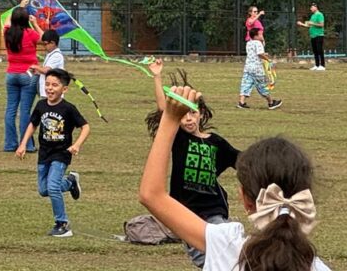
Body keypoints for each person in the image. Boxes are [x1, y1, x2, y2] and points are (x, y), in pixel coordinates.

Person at [140, 84, 331, 271]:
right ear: (307, 197)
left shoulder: (223, 245)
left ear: (245, 198)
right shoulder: (317, 267)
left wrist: (170, 118)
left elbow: (151, 194)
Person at [148, 59, 239, 268]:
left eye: (193, 113)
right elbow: (164, 110)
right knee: (202, 258)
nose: (188, 119)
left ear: (201, 113)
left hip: (214, 209)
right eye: (184, 114)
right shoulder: (179, 138)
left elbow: (241, 160)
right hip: (185, 211)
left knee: (224, 252)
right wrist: (157, 76)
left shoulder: (215, 142)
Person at [15, 68, 89, 238]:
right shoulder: (40, 105)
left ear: (64, 89)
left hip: (61, 153)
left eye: (54, 85)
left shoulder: (69, 108)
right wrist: (23, 144)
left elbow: (86, 127)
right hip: (44, 153)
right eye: (47, 84)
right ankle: (70, 182)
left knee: (53, 187)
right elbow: (33, 124)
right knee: (43, 189)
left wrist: (76, 145)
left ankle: (62, 224)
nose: (49, 88)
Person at [3, 3, 44, 153]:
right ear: (26, 19)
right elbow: (44, 38)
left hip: (11, 74)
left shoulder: (7, 33)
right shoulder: (30, 33)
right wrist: (35, 23)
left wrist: (18, 6)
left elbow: (7, 22)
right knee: (25, 111)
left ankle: (9, 144)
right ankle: (27, 144)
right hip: (29, 74)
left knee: (10, 110)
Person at [238, 28, 283, 110]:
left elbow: (254, 53)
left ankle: (241, 102)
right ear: (256, 36)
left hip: (248, 68)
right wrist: (268, 59)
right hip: (257, 69)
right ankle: (271, 103)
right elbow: (259, 54)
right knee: (262, 86)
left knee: (246, 84)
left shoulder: (249, 43)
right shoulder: (258, 43)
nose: (262, 35)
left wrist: (263, 54)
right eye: (260, 34)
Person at [30, 30, 64, 99]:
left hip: (53, 93)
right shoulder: (50, 54)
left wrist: (35, 66)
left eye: (45, 44)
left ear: (52, 43)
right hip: (47, 92)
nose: (44, 47)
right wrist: (38, 72)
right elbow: (49, 72)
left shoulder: (56, 55)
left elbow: (46, 70)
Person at [298, 3, 326, 71]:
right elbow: (309, 25)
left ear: (316, 7)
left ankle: (322, 65)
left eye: (312, 7)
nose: (311, 9)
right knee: (315, 51)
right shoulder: (313, 16)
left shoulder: (320, 15)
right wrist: (302, 24)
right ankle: (317, 65)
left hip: (319, 35)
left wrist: (312, 23)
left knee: (320, 50)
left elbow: (322, 25)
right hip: (313, 35)